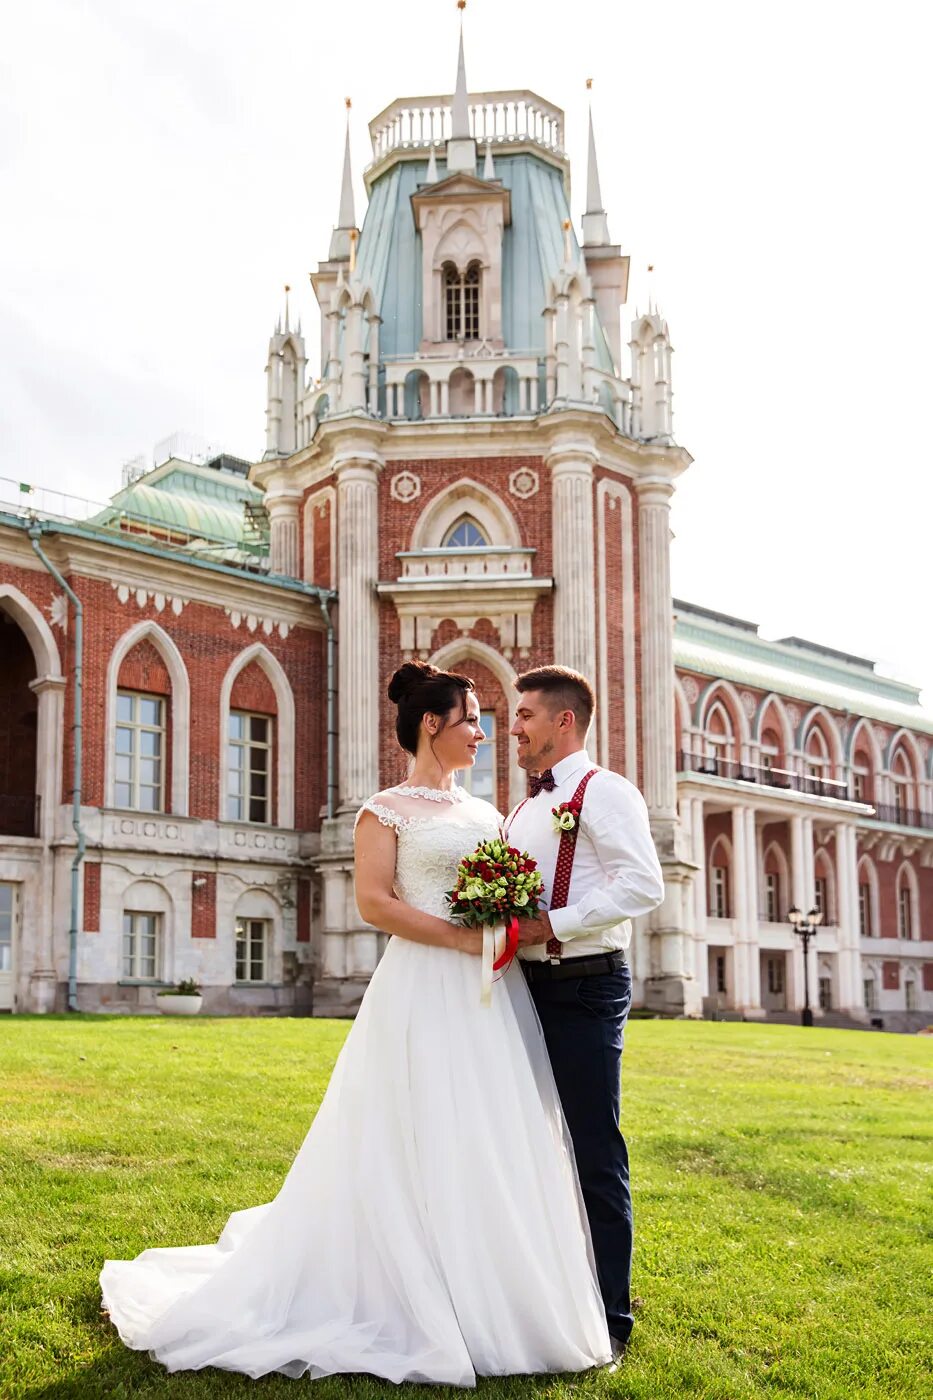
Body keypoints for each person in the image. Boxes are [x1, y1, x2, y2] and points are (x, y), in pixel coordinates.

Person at [99, 661, 611, 1385]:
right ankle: (400, 1280)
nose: (482, 734)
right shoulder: (385, 810)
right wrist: (466, 937)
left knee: (491, 1128)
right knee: (413, 1124)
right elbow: (376, 904)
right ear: (431, 725)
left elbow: (509, 884)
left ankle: (491, 1286)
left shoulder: (485, 814)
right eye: (470, 720)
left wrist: (506, 923)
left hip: (494, 993)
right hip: (424, 984)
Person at [506, 665, 665, 1358]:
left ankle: (608, 1317)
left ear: (563, 721)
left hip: (584, 985)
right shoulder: (523, 807)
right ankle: (538, 1291)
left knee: (593, 1151)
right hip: (522, 989)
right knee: (521, 1146)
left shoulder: (606, 792)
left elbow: (643, 884)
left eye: (524, 716)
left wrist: (556, 923)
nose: (512, 728)